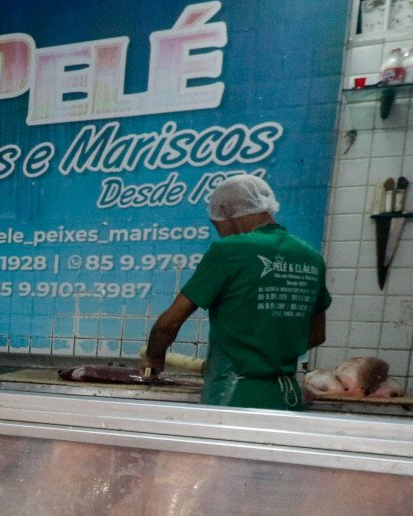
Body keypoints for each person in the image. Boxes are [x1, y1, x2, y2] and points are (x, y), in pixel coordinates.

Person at [141, 174, 330, 409]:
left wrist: (154, 359)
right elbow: (317, 334)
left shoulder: (229, 250)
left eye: (215, 223)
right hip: (286, 396)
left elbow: (168, 323)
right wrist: (272, 353)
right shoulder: (311, 257)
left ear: (227, 212)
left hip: (234, 393)